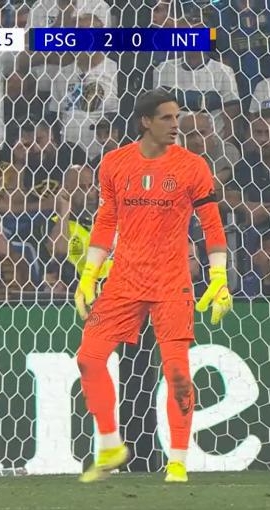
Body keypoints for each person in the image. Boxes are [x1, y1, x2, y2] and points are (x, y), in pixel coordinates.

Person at [73, 90, 232, 484]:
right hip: (123, 280)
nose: (176, 125)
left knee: (177, 372)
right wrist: (89, 274)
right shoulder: (115, 163)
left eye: (177, 117)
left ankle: (177, 461)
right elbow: (106, 221)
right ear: (145, 122)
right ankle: (110, 443)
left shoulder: (193, 166)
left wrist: (219, 277)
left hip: (171, 282)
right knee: (89, 358)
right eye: (167, 118)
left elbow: (212, 225)